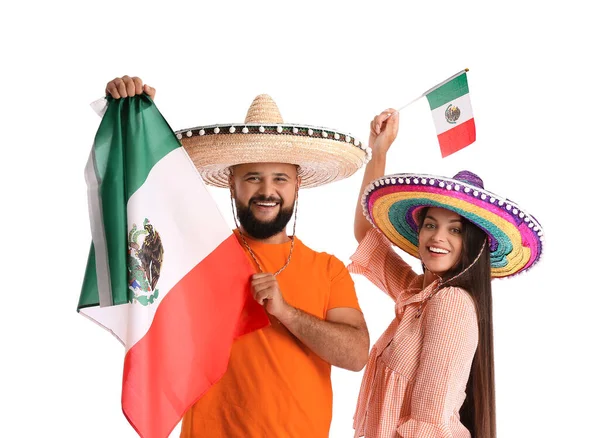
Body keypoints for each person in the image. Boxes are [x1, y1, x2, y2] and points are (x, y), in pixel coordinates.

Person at [104, 76, 371, 437]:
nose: (267, 191)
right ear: (232, 182)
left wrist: (285, 312)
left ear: (297, 184)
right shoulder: (200, 254)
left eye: (280, 178)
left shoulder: (328, 269)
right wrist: (135, 120)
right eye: (253, 178)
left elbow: (356, 354)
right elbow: (145, 212)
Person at [349, 109, 544, 438]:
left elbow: (428, 423)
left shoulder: (451, 303)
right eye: (430, 225)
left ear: (471, 243)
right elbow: (366, 235)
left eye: (454, 230)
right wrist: (379, 151)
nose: (438, 237)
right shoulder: (417, 295)